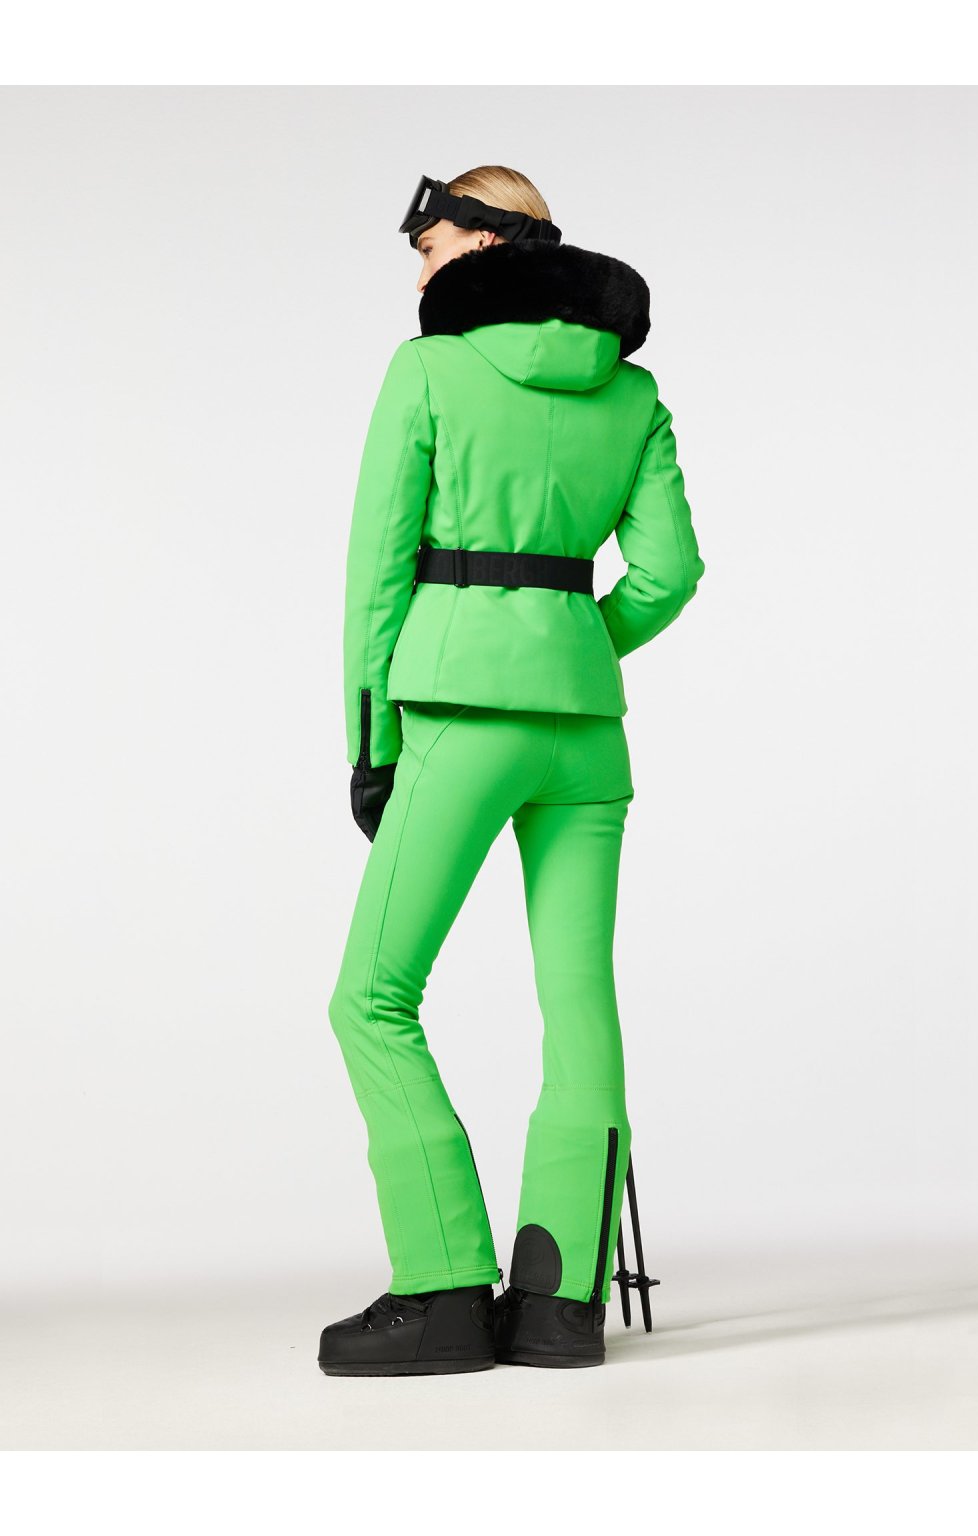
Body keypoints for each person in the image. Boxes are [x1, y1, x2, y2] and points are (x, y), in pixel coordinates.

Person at [319, 166, 705, 1376]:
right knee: (578, 1002)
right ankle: (558, 1303)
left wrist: (370, 742)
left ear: (486, 243)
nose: (419, 275)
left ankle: (440, 1288)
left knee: (372, 1000)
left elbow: (376, 576)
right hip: (584, 734)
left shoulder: (428, 372)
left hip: (457, 714)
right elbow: (669, 575)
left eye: (429, 246)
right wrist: (571, 643)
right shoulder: (632, 393)